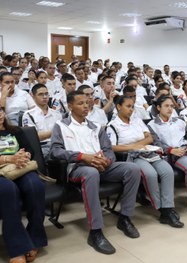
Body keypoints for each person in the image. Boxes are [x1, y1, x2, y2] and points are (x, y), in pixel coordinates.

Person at [50, 90, 141, 255]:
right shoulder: (61, 126)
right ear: (70, 106)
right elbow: (55, 152)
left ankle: (125, 218)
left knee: (133, 169)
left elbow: (108, 150)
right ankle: (95, 231)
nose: (85, 106)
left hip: (101, 166)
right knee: (91, 173)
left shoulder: (96, 127)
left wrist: (106, 161)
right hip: (78, 168)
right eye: (80, 103)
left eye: (87, 102)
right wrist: (82, 157)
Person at [107, 95, 184, 228]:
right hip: (131, 156)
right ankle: (163, 210)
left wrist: (138, 144)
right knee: (150, 174)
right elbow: (112, 146)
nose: (131, 110)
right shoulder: (112, 126)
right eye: (128, 106)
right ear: (119, 107)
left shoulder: (137, 120)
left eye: (132, 106)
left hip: (148, 151)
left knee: (167, 171)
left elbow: (149, 138)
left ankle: (168, 207)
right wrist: (132, 147)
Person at [0, 108, 47, 263]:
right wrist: (9, 159)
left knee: (35, 186)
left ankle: (35, 238)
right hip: (1, 171)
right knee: (8, 190)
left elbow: (30, 151)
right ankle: (18, 247)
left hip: (19, 168)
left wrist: (24, 156)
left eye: (0, 111)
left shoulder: (16, 131)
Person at [22, 84, 62, 159]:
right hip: (41, 146)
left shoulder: (57, 113)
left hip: (58, 145)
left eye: (46, 94)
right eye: (40, 94)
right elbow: (32, 137)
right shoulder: (29, 115)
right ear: (33, 97)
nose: (44, 97)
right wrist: (55, 132)